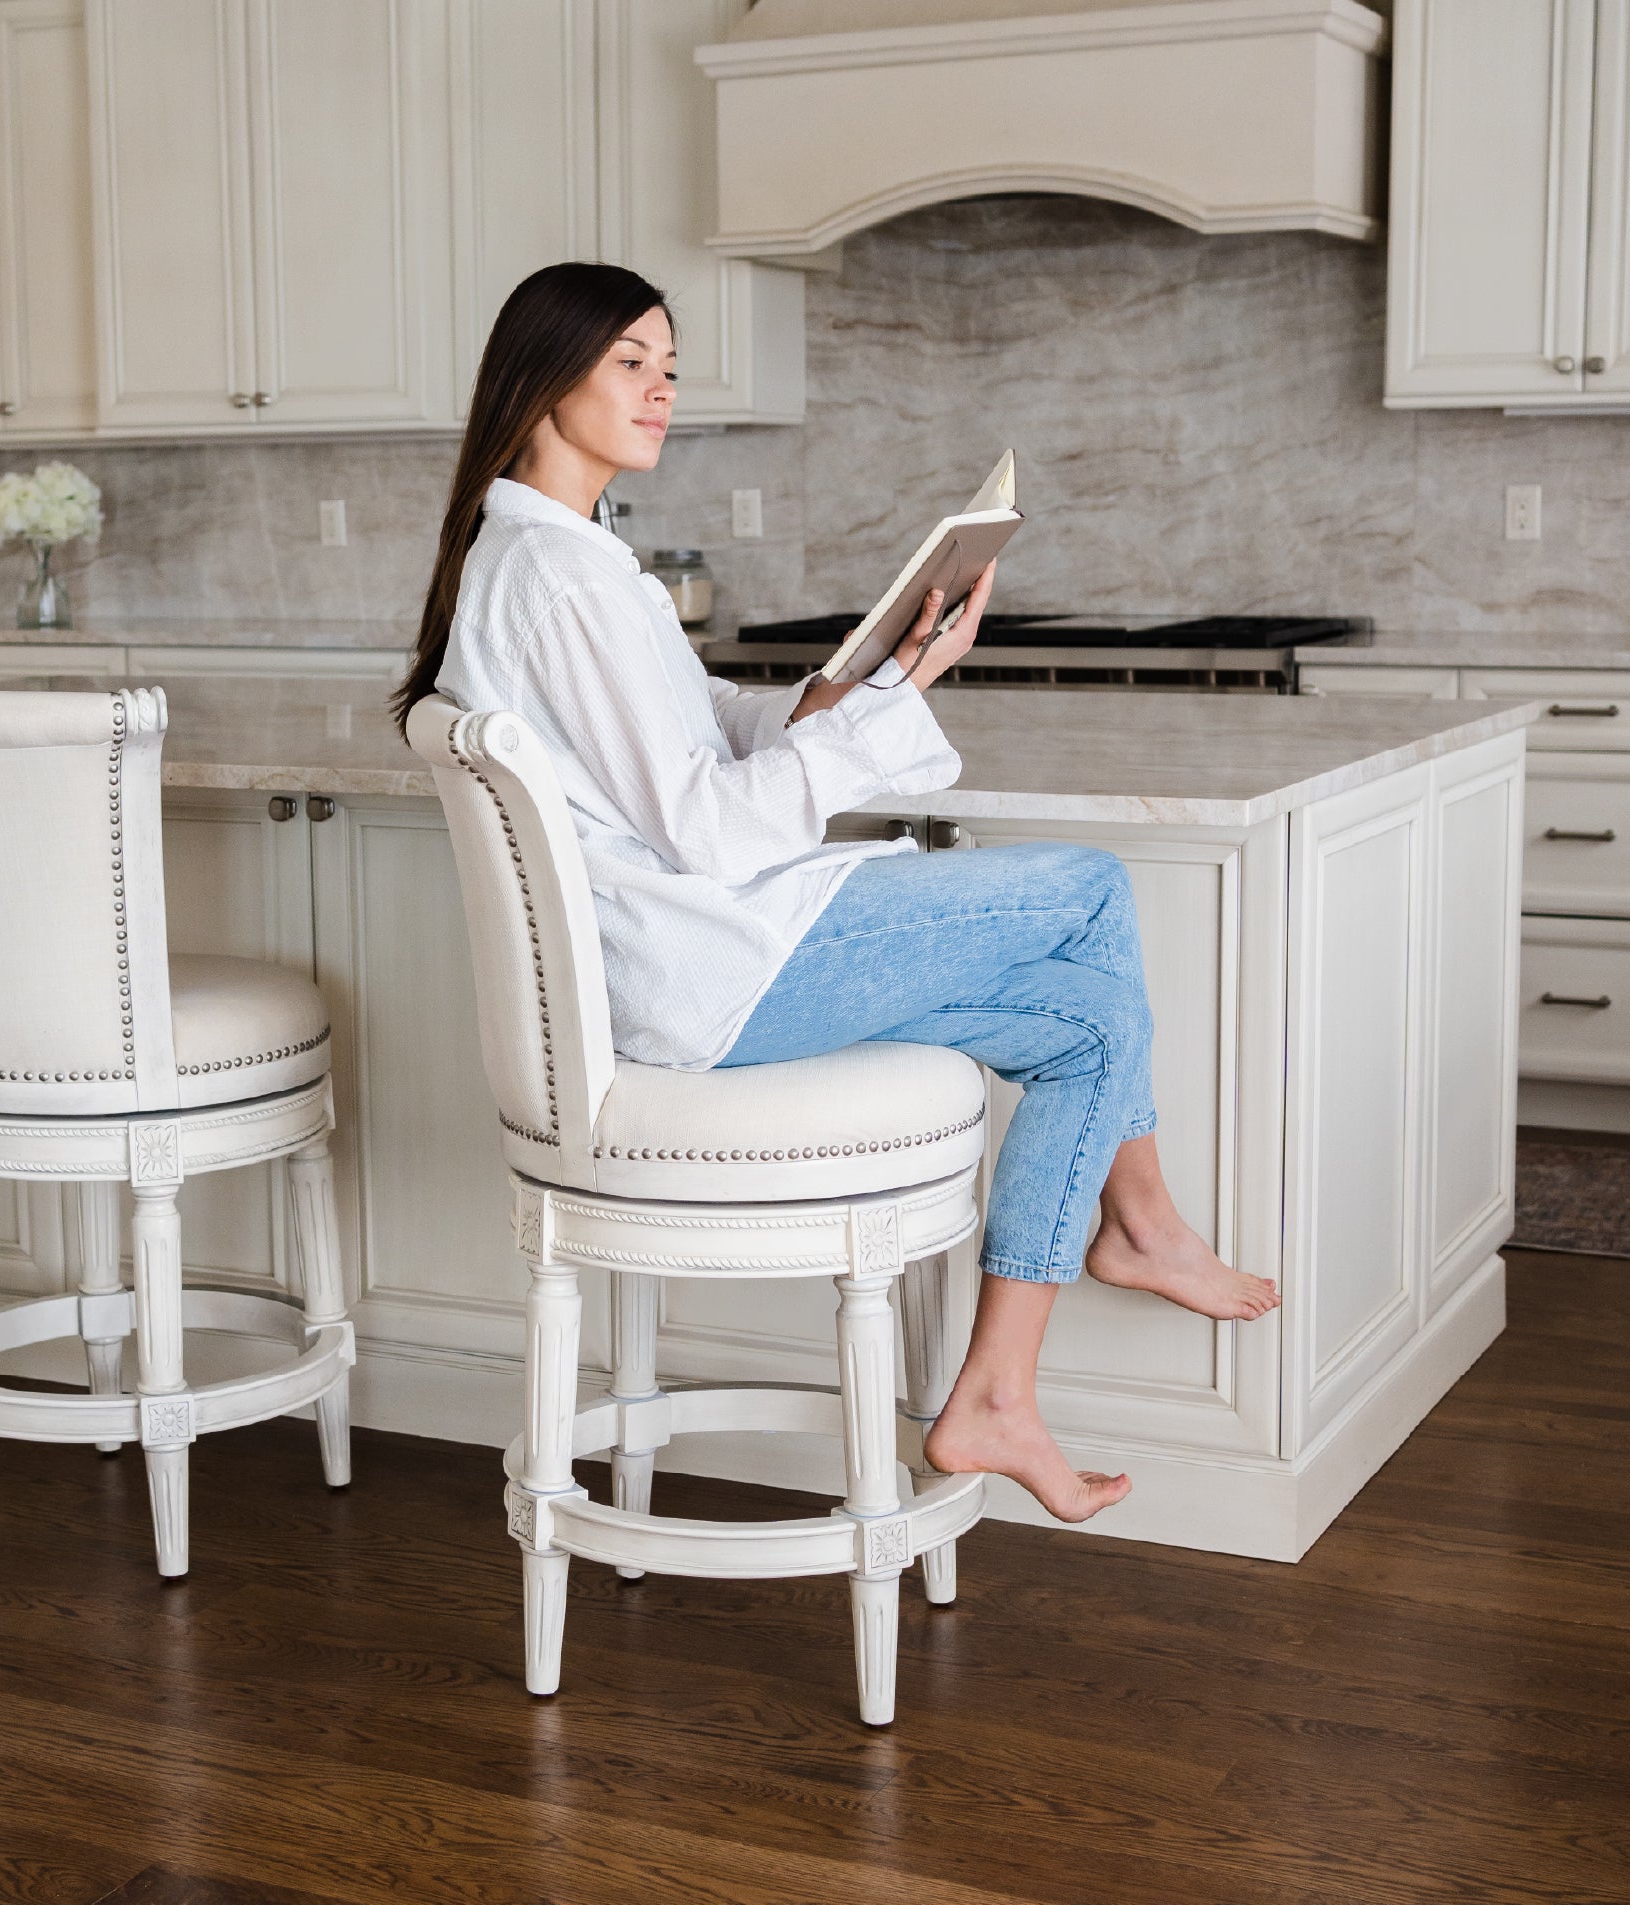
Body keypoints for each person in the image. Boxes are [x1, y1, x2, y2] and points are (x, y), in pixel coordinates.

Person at [394, 262, 1277, 1526]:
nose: (662, 390)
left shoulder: (562, 556)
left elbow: (696, 732)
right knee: (1088, 887)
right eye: (630, 362)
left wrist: (852, 689)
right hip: (708, 976)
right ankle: (1139, 1224)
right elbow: (701, 825)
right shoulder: (560, 577)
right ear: (544, 378)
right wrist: (881, 717)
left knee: (1092, 1025)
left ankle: (1000, 1392)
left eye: (670, 366)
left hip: (701, 966)